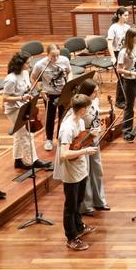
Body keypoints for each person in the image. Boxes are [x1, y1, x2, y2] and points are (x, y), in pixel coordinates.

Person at [54, 94, 98, 252]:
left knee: (79, 199)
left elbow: (78, 143)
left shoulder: (80, 121)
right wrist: (86, 151)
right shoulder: (67, 127)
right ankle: (71, 237)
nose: (90, 110)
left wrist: (91, 135)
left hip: (80, 166)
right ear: (83, 109)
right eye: (89, 108)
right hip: (71, 170)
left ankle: (79, 226)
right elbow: (64, 154)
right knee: (70, 205)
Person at [2, 52, 51, 171]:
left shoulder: (24, 73)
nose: (30, 65)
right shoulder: (11, 79)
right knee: (26, 134)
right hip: (14, 109)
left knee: (19, 134)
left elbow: (27, 88)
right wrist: (21, 98)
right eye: (28, 63)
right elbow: (5, 98)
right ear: (21, 64)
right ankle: (34, 160)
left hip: (24, 106)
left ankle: (18, 160)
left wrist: (38, 92)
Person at [76, 79, 110, 217]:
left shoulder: (95, 101)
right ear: (87, 92)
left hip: (94, 139)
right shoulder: (80, 106)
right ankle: (86, 205)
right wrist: (89, 133)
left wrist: (98, 127)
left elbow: (96, 115)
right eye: (94, 92)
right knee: (85, 171)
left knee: (97, 169)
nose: (97, 94)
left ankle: (99, 201)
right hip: (83, 140)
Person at [32, 43, 73, 151]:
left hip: (64, 93)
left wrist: (69, 82)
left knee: (63, 116)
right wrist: (40, 91)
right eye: (52, 56)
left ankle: (60, 138)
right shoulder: (40, 64)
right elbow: (33, 78)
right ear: (47, 54)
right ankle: (49, 140)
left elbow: (69, 72)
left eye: (57, 55)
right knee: (50, 117)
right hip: (50, 95)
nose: (55, 58)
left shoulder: (64, 60)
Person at [116, 28, 136, 141]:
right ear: (130, 38)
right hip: (129, 80)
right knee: (129, 106)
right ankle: (127, 131)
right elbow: (119, 69)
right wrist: (133, 73)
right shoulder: (123, 52)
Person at [107, 7, 132, 107]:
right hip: (117, 53)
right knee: (121, 78)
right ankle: (119, 101)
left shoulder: (128, 27)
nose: (127, 17)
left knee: (127, 77)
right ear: (119, 16)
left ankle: (127, 98)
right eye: (125, 15)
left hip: (126, 53)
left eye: (128, 15)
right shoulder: (113, 28)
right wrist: (113, 57)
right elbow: (109, 44)